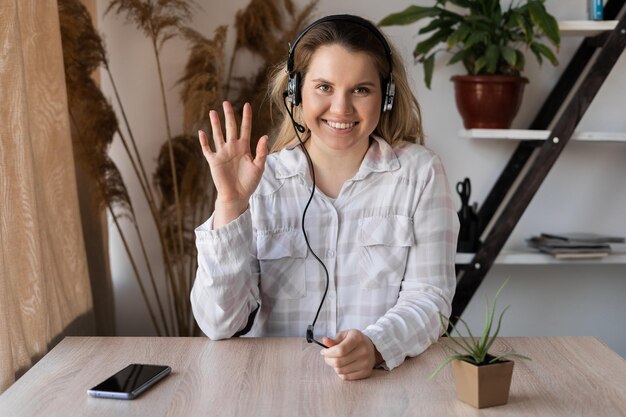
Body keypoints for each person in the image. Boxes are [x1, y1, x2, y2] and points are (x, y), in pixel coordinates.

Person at [191, 14, 459, 381]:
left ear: (386, 96)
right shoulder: (260, 180)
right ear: (296, 92)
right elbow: (218, 324)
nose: (341, 109)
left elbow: (431, 299)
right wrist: (230, 206)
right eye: (324, 87)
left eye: (361, 90)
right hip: (273, 386)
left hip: (383, 384)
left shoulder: (420, 173)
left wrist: (376, 345)